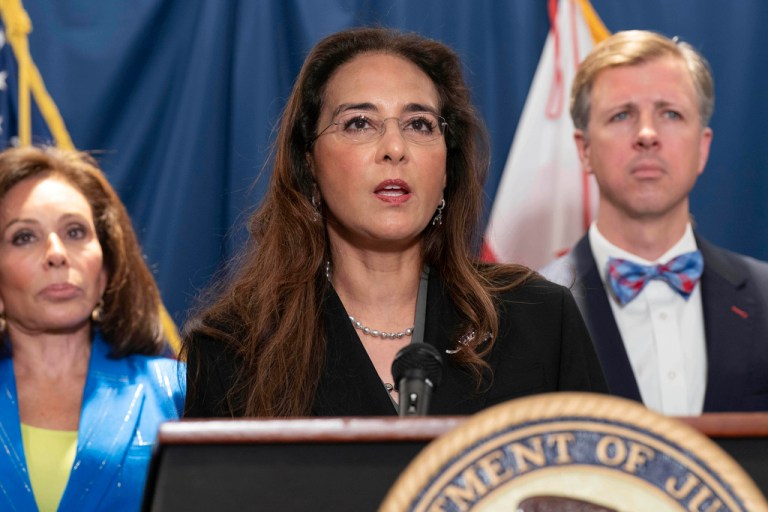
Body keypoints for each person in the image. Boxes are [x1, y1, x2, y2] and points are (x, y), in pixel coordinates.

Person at [183, 26, 606, 419]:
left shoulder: (540, 321)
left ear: (446, 169)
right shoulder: (232, 351)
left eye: (419, 124)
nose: (394, 148)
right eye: (359, 123)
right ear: (308, 163)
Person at [541, 30, 768, 414]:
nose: (647, 134)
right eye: (622, 114)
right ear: (585, 150)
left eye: (670, 113)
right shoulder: (528, 311)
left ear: (703, 147)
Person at [0, 146, 185, 511]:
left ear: (104, 272)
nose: (57, 253)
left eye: (75, 231)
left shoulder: (178, 390)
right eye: (24, 236)